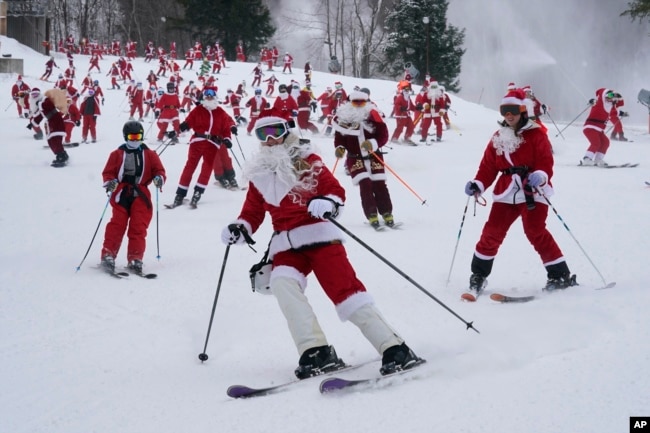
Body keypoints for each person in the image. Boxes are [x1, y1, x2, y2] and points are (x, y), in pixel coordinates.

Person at [220, 110, 422, 378]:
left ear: (287, 131)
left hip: (319, 235)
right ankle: (315, 350)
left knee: (345, 291)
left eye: (276, 132)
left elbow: (334, 191)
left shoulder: (306, 159)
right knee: (282, 283)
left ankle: (393, 346)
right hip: (286, 244)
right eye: (263, 134)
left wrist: (326, 201)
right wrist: (241, 226)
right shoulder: (260, 174)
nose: (270, 140)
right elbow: (252, 212)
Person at [462, 89, 577, 301]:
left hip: (532, 191)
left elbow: (545, 161)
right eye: (504, 110)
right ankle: (478, 275)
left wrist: (541, 175)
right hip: (506, 193)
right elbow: (488, 167)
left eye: (513, 110)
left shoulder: (536, 134)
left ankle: (560, 275)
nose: (508, 114)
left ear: (523, 111)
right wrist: (478, 184)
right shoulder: (499, 137)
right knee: (491, 233)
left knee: (535, 230)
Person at [100, 121, 166, 274]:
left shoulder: (150, 154)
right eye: (132, 137)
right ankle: (108, 254)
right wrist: (110, 182)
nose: (135, 140)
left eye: (138, 137)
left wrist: (159, 178)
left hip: (141, 194)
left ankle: (135, 258)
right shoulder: (116, 154)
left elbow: (159, 170)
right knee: (117, 224)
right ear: (126, 137)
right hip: (122, 193)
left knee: (138, 226)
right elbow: (108, 172)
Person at [333, 90, 395, 228]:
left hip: (374, 155)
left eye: (362, 102)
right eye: (356, 102)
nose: (359, 105)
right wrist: (340, 148)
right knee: (365, 183)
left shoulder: (374, 115)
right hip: (355, 157)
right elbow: (339, 138)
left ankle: (386, 212)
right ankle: (371, 213)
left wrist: (373, 143)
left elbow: (383, 135)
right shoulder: (343, 118)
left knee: (379, 184)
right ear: (350, 103)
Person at [168, 86, 236, 208]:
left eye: (211, 95)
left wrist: (227, 139)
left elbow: (226, 128)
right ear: (204, 96)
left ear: (215, 96)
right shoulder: (198, 110)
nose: (209, 97)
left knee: (207, 169)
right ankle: (180, 194)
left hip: (213, 144)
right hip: (197, 141)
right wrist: (178, 129)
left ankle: (198, 192)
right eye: (207, 95)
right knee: (190, 167)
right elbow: (188, 122)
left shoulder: (220, 112)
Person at [28, 88, 69, 167]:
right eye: (32, 94)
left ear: (39, 94)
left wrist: (40, 104)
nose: (34, 96)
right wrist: (32, 123)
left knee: (55, 139)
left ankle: (62, 157)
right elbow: (40, 116)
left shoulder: (45, 100)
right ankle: (60, 155)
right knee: (50, 141)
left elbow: (49, 106)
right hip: (51, 122)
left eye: (36, 94)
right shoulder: (40, 103)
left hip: (56, 121)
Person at [581, 88, 618, 166]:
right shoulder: (599, 102)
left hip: (599, 129)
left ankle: (598, 159)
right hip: (590, 127)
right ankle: (587, 159)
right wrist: (592, 101)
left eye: (612, 97)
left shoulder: (610, 106)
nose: (610, 98)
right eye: (608, 96)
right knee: (596, 142)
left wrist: (621, 113)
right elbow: (595, 102)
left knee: (605, 142)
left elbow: (614, 113)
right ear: (604, 96)